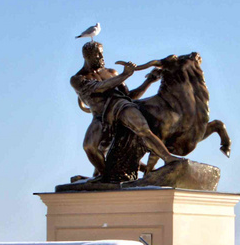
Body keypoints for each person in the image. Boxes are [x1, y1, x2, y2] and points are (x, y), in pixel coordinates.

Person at [71, 40, 180, 179]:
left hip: (121, 105)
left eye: (102, 54)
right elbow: (100, 87)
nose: (102, 58)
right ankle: (108, 176)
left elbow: (129, 96)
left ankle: (168, 158)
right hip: (100, 116)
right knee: (89, 147)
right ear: (87, 56)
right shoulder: (77, 79)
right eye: (98, 55)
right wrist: (125, 75)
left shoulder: (111, 72)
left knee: (142, 129)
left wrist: (148, 82)